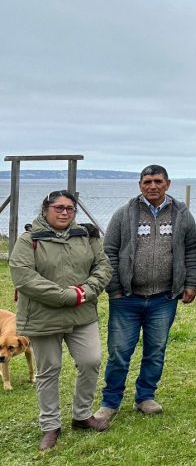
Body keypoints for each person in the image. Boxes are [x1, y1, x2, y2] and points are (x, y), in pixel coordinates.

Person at [94, 165, 196, 422]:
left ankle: (145, 397)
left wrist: (191, 284)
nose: (153, 186)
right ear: (140, 185)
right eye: (147, 182)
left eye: (158, 181)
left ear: (168, 184)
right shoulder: (124, 214)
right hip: (126, 299)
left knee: (155, 350)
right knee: (119, 352)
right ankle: (110, 402)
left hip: (164, 298)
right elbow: (108, 252)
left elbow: (191, 252)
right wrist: (116, 289)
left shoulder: (182, 215)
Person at [9, 191, 113, 451]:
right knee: (49, 370)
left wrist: (86, 291)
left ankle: (82, 415)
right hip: (43, 317)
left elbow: (103, 267)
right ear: (46, 209)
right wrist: (68, 295)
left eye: (70, 208)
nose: (65, 212)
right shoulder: (29, 239)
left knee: (91, 361)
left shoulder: (86, 236)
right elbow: (24, 277)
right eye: (58, 207)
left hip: (82, 314)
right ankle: (50, 425)